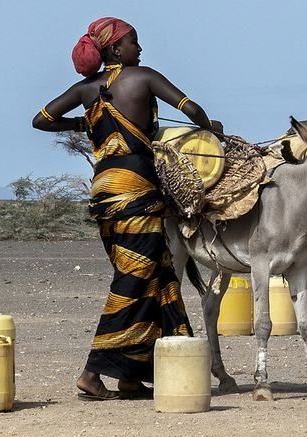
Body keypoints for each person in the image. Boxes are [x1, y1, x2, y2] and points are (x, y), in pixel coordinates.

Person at [32, 17, 222, 400]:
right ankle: (91, 372)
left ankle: (133, 376)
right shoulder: (144, 76)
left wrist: (85, 124)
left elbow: (41, 119)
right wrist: (211, 129)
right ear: (116, 49)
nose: (140, 49)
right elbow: (193, 108)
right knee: (134, 279)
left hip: (104, 194)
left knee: (156, 276)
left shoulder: (86, 89)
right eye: (135, 42)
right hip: (136, 192)